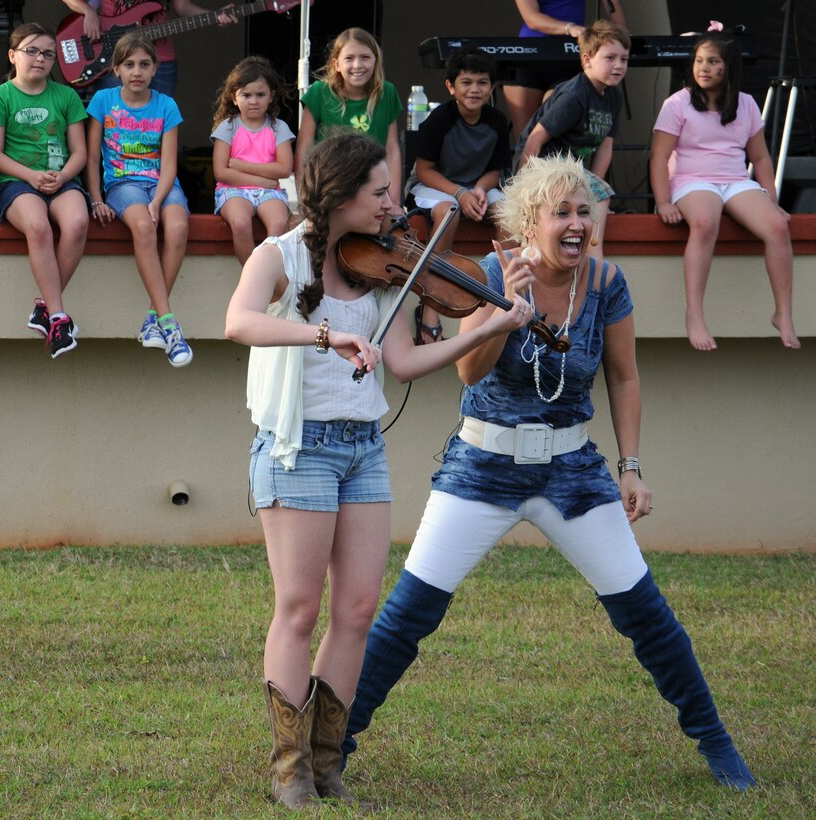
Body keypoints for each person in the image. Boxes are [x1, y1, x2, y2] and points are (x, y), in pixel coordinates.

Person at [340, 154, 757, 793]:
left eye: (583, 211)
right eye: (560, 212)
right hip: (483, 464)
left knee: (646, 615)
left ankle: (719, 746)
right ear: (528, 221)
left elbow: (624, 375)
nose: (574, 224)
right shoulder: (489, 272)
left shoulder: (608, 281)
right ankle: (333, 748)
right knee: (408, 616)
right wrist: (507, 309)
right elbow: (469, 374)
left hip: (572, 468)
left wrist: (631, 466)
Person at [224, 132, 535, 809]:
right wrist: (323, 334)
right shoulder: (278, 256)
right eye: (380, 193)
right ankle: (290, 768)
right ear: (339, 196)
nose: (394, 204)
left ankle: (330, 763)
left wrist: (489, 327)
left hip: (363, 447)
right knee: (301, 607)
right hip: (297, 447)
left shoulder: (378, 268)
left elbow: (403, 362)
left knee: (359, 607)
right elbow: (238, 322)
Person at [650, 30, 799, 351]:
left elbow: (759, 157)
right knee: (705, 222)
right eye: (699, 61)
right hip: (692, 180)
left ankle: (783, 313)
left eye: (713, 62)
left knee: (776, 226)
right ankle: (695, 314)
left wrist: (772, 201)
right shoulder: (677, 103)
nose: (703, 68)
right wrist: (662, 201)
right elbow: (660, 156)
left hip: (734, 180)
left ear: (728, 67)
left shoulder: (745, 104)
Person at [0, 22, 89, 359]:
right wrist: (31, 176)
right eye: (31, 51)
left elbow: (80, 152)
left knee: (77, 223)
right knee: (38, 226)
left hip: (62, 178)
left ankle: (46, 309)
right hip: (16, 182)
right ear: (13, 55)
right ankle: (58, 316)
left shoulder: (66, 95)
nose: (40, 59)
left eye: (47, 54)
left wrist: (62, 174)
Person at [86, 34, 193, 367]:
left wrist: (158, 200)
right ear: (115, 69)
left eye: (144, 64)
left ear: (155, 68)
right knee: (144, 228)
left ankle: (152, 319)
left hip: (161, 184)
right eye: (129, 64)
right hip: (122, 185)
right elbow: (90, 159)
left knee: (177, 226)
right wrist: (95, 199)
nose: (137, 71)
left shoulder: (166, 105)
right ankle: (169, 322)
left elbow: (171, 164)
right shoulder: (103, 101)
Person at [407, 47, 511, 345]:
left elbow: (495, 170)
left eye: (482, 82)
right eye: (466, 82)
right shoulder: (439, 119)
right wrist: (460, 192)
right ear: (451, 86)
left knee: (507, 210)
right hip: (436, 186)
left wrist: (479, 189)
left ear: (492, 87)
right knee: (450, 210)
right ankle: (431, 307)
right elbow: (425, 170)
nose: (475, 89)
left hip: (473, 186)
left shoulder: (497, 121)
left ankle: (506, 296)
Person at [515, 19, 629, 262]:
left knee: (599, 192)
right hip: (546, 167)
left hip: (574, 172)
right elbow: (535, 138)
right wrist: (523, 186)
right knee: (599, 194)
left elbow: (605, 147)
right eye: (610, 58)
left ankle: (592, 255)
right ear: (587, 59)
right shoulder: (575, 96)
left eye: (624, 59)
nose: (618, 66)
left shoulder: (613, 96)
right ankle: (594, 257)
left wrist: (593, 188)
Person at [294, 28, 404, 212]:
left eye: (365, 57)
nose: (357, 65)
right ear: (336, 64)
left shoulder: (387, 92)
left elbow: (392, 150)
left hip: (373, 186)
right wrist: (305, 201)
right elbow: (304, 149)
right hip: (331, 187)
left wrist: (394, 202)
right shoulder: (320, 92)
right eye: (349, 58)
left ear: (376, 60)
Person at [211, 55, 294, 265]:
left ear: (271, 96)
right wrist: (264, 180)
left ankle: (269, 275)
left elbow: (284, 168)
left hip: (270, 192)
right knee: (240, 223)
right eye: (246, 95)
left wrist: (240, 165)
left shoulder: (279, 127)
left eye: (260, 94)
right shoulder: (228, 127)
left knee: (278, 223)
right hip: (232, 191)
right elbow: (221, 173)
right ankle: (253, 277)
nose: (254, 101)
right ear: (234, 97)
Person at [58, 0, 237, 98]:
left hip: (160, 60)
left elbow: (182, 6)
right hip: (117, 57)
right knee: (115, 129)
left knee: (158, 128)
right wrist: (88, 11)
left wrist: (215, 17)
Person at [505, 0, 628, 140]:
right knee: (526, 136)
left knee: (557, 125)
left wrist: (620, 37)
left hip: (568, 56)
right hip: (529, 56)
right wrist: (570, 28)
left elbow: (613, 6)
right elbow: (531, 17)